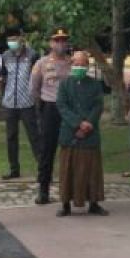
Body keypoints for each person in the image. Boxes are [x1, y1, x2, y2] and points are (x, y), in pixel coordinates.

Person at [56, 51, 107, 217]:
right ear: (71, 65)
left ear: (87, 66)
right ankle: (65, 204)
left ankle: (94, 203)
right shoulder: (64, 84)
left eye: (82, 64)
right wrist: (78, 123)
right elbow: (62, 106)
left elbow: (98, 106)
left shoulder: (95, 84)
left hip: (90, 134)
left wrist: (88, 124)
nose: (79, 67)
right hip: (69, 133)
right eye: (76, 64)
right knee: (67, 170)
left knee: (92, 170)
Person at [30, 28, 73, 205]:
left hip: (69, 109)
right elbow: (34, 88)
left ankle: (70, 188)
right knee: (47, 150)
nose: (61, 44)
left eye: (63, 40)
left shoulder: (72, 63)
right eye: (57, 40)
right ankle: (43, 188)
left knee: (71, 149)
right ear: (50, 43)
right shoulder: (41, 63)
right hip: (50, 107)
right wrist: (40, 108)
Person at [0, 29, 39, 181]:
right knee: (11, 137)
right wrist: (4, 95)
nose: (12, 42)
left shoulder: (32, 55)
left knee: (34, 136)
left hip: (27, 102)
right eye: (9, 39)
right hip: (10, 102)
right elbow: (4, 77)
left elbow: (37, 77)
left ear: (22, 39)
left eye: (15, 39)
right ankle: (13, 169)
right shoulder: (5, 56)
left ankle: (42, 167)